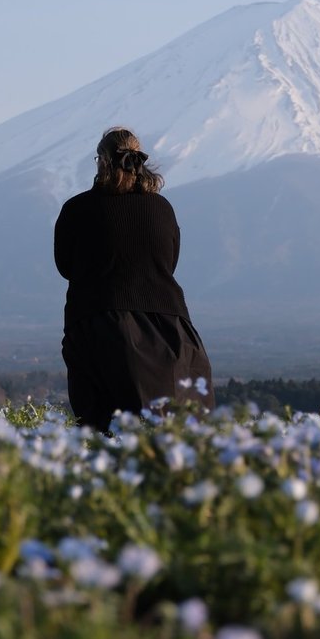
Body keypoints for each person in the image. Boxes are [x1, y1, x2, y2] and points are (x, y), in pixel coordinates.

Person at [54, 127, 214, 428]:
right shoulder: (162, 209)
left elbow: (65, 266)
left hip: (101, 324)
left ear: (101, 161)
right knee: (182, 431)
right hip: (174, 330)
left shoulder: (77, 210)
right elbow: (170, 262)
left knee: (105, 430)